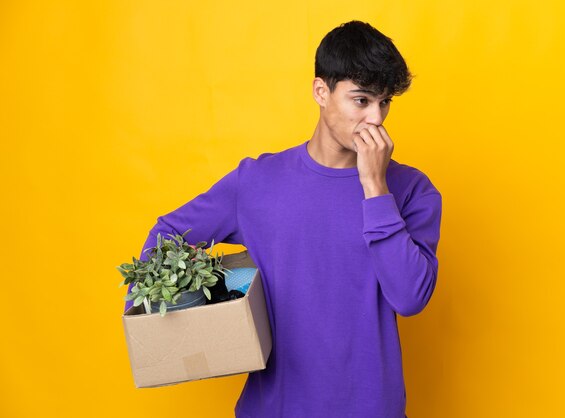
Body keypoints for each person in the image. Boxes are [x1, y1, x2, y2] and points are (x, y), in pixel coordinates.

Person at [125, 20, 442, 418]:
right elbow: (167, 235)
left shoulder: (412, 189)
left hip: (369, 406)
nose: (376, 118)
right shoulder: (256, 182)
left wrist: (376, 187)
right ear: (321, 92)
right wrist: (169, 314)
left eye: (384, 102)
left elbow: (411, 297)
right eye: (361, 100)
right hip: (274, 407)